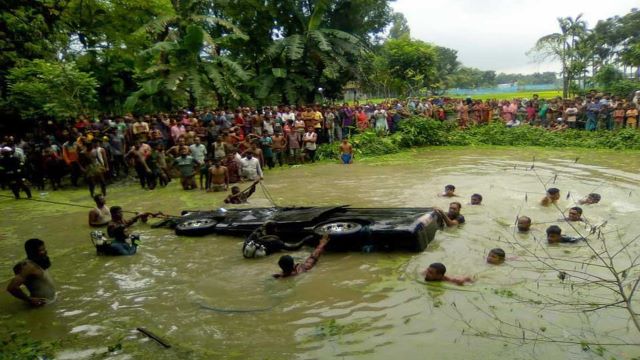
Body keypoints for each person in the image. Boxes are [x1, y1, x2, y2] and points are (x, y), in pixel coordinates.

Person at [7, 239, 56, 306]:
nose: (44, 252)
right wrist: (29, 299)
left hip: (49, 303)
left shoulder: (40, 261)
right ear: (32, 252)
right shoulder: (28, 267)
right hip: (40, 306)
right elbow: (12, 287)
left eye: (44, 249)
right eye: (41, 250)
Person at [242, 221, 310, 258]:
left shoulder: (255, 236)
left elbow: (255, 232)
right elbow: (294, 247)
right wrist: (305, 240)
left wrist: (264, 225)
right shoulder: (275, 242)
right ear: (275, 230)